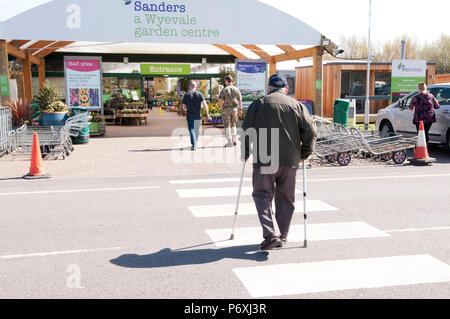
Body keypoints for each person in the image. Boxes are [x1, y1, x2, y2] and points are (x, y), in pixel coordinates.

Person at [241, 73, 316, 251]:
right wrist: (304, 154)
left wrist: (245, 152)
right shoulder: (297, 105)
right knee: (285, 198)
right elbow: (311, 132)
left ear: (269, 88)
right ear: (286, 89)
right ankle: (282, 236)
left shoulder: (259, 104)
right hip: (289, 160)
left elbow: (246, 130)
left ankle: (270, 235)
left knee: (262, 195)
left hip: (265, 158)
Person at [181, 81, 210, 150]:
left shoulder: (186, 95)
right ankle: (195, 144)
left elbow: (183, 106)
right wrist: (207, 114)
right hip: (197, 115)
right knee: (196, 130)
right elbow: (205, 105)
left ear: (190, 87)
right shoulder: (199, 94)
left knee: (191, 129)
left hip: (190, 115)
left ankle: (194, 144)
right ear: (196, 86)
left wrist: (185, 110)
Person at [219, 75, 243, 147]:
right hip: (235, 109)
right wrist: (240, 109)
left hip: (226, 109)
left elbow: (219, 100)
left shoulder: (225, 89)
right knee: (234, 125)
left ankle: (229, 141)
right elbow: (240, 100)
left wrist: (222, 108)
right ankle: (234, 140)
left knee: (227, 125)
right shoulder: (236, 89)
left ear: (226, 81)